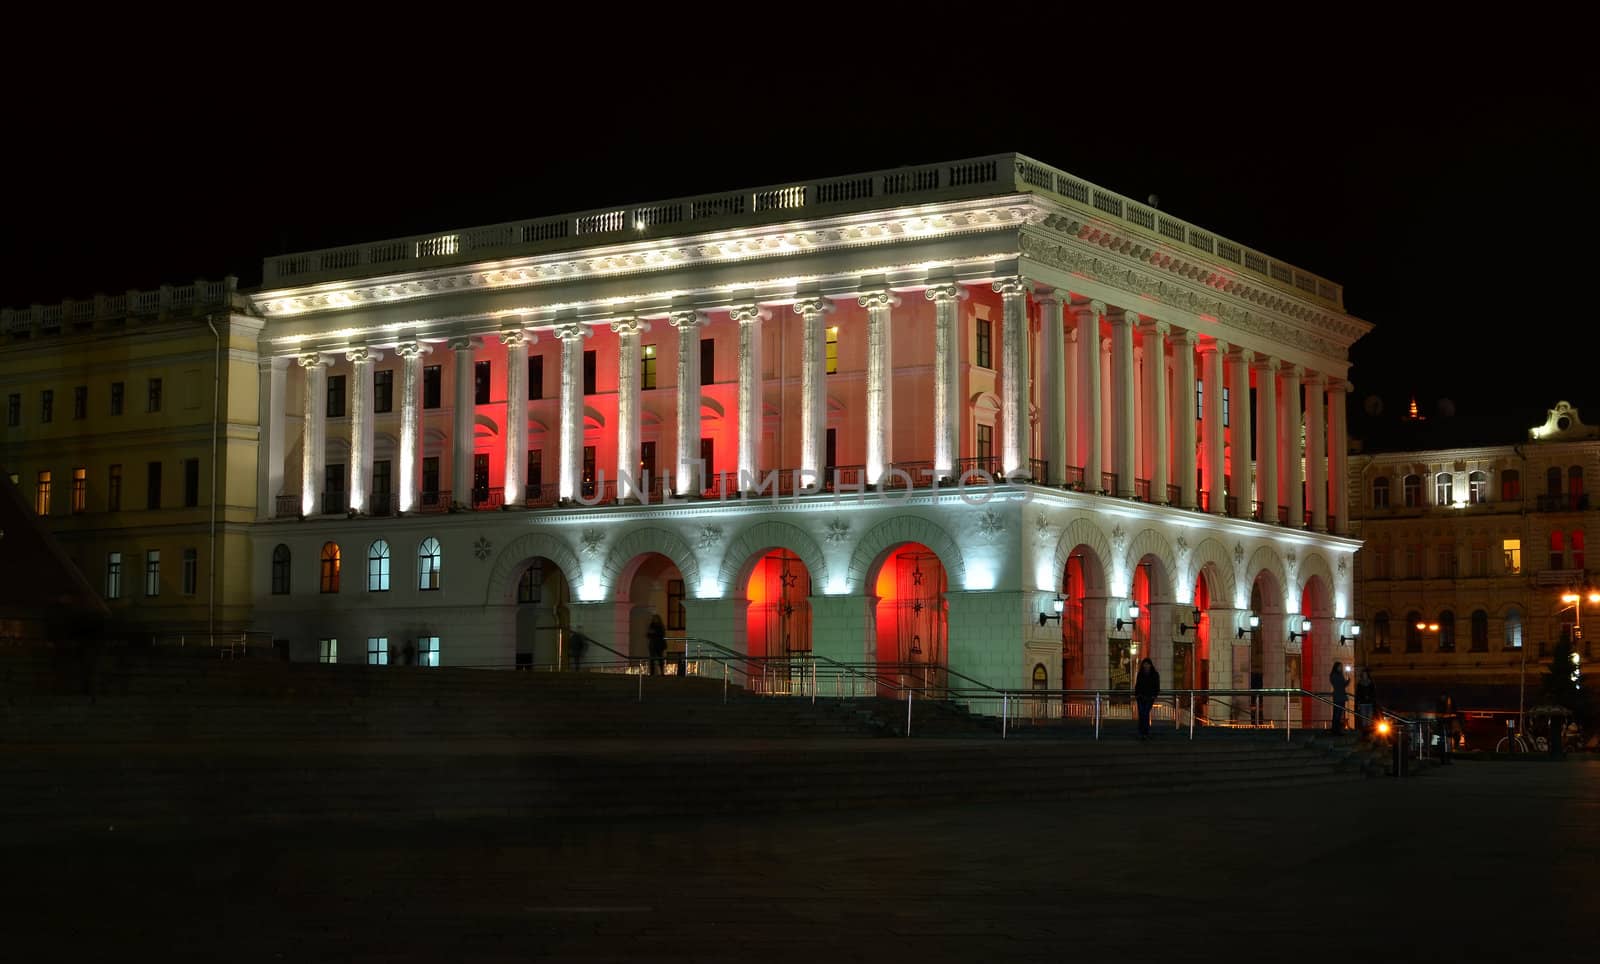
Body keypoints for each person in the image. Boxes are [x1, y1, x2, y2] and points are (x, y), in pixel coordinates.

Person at [1134, 657, 1160, 741]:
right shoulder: (1140, 674)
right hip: (1141, 697)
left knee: (1145, 713)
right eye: (1145, 664)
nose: (1146, 666)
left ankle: (1145, 732)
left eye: (1147, 664)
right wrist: (1137, 694)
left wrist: (1154, 695)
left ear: (1150, 665)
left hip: (1149, 697)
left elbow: (1157, 686)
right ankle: (1142, 732)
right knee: (1142, 714)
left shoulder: (1154, 674)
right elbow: (1137, 685)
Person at [1355, 668, 1377, 736]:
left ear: (1367, 675)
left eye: (1366, 674)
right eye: (1363, 674)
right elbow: (1358, 693)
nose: (1365, 675)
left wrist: (1370, 698)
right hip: (1362, 703)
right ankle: (1365, 734)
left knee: (1369, 718)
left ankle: (1369, 733)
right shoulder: (1359, 684)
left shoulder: (1371, 683)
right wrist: (1358, 702)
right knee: (1364, 718)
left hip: (1370, 703)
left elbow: (1373, 693)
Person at [1328, 661, 1349, 734]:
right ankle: (1336, 729)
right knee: (1337, 713)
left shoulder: (1338, 675)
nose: (1341, 668)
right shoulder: (1335, 675)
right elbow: (1340, 685)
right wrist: (1346, 682)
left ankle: (1336, 728)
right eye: (1340, 666)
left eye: (1341, 667)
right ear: (1336, 667)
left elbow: (1342, 685)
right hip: (1338, 696)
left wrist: (1347, 680)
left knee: (1339, 713)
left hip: (1340, 695)